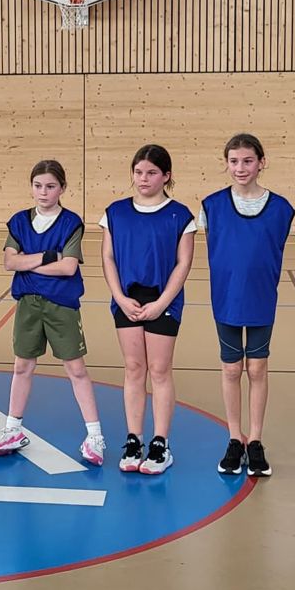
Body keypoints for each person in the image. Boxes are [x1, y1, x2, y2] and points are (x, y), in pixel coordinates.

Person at [0, 160, 105, 465]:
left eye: (51, 186)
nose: (43, 192)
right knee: (22, 366)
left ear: (62, 188)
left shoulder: (71, 222)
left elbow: (68, 267)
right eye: (38, 186)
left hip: (61, 304)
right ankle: (12, 429)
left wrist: (28, 262)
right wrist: (46, 256)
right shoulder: (19, 221)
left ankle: (95, 436)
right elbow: (9, 262)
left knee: (76, 369)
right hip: (28, 304)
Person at [198, 134, 294, 477]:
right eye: (234, 161)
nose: (240, 168)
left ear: (261, 163)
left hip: (261, 298)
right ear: (226, 163)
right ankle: (234, 439)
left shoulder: (282, 209)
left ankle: (255, 440)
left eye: (248, 161)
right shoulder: (211, 206)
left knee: (257, 368)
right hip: (226, 299)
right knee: (231, 369)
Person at [100, 144, 195, 475]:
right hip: (127, 300)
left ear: (166, 176)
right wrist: (119, 297)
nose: (143, 178)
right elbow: (108, 258)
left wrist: (162, 303)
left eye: (152, 172)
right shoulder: (115, 213)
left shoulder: (180, 215)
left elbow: (183, 264)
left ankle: (160, 444)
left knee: (159, 370)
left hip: (163, 301)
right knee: (133, 368)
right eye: (138, 172)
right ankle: (134, 439)